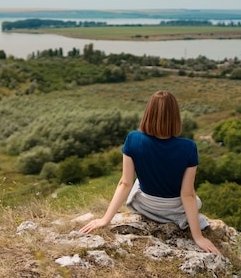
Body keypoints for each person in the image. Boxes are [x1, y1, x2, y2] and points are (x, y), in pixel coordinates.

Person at [79, 90, 221, 254]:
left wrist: (105, 219)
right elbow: (187, 194)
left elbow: (125, 183)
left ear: (148, 113)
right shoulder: (189, 147)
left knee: (138, 180)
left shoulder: (133, 139)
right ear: (175, 116)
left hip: (145, 206)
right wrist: (198, 237)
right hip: (174, 210)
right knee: (195, 199)